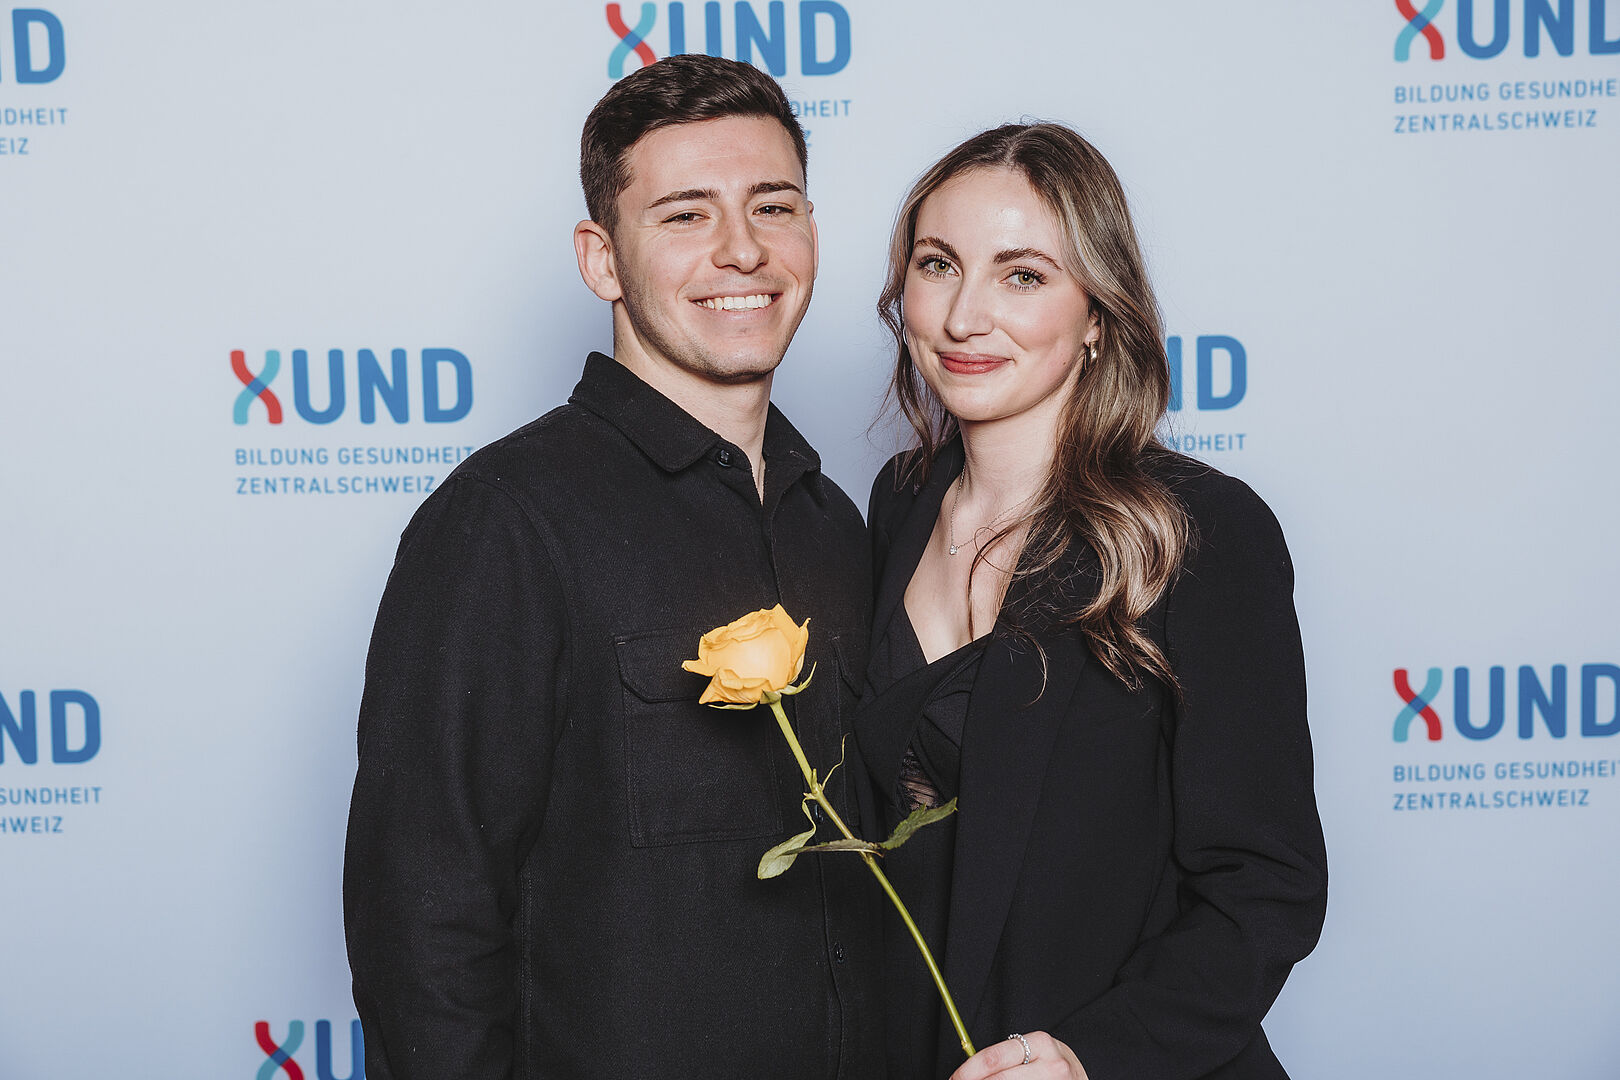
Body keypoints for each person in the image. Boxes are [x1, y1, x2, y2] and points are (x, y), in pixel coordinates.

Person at [342, 54, 881, 1080]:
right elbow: (423, 918)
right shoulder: (504, 520)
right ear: (602, 260)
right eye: (685, 215)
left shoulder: (835, 523)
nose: (742, 249)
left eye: (774, 206)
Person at [854, 123, 1328, 1080]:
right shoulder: (897, 503)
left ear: (1099, 315)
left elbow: (1264, 884)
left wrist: (1087, 1059)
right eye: (939, 265)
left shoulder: (1198, 530)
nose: (965, 317)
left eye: (1023, 276)